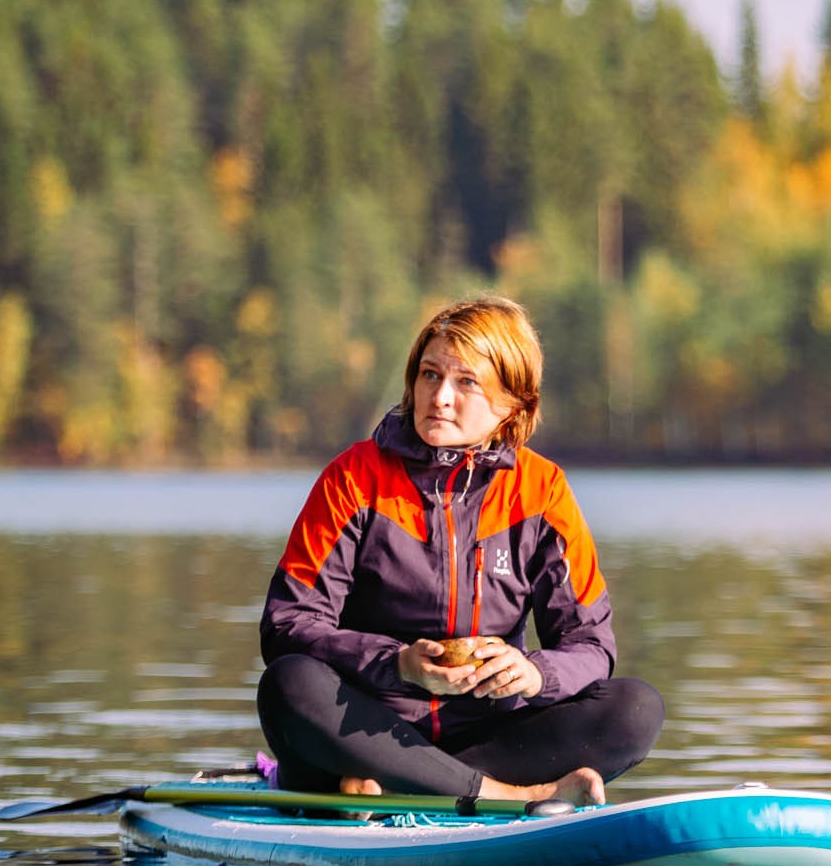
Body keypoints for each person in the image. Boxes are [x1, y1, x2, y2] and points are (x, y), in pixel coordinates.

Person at [257, 296, 662, 807]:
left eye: (466, 382)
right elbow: (287, 624)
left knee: (636, 707)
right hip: (363, 730)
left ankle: (399, 791)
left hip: (488, 739)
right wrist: (397, 665)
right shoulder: (354, 478)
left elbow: (592, 645)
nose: (439, 396)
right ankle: (508, 797)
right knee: (288, 683)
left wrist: (536, 673)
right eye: (429, 375)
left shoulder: (543, 491)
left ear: (513, 403)